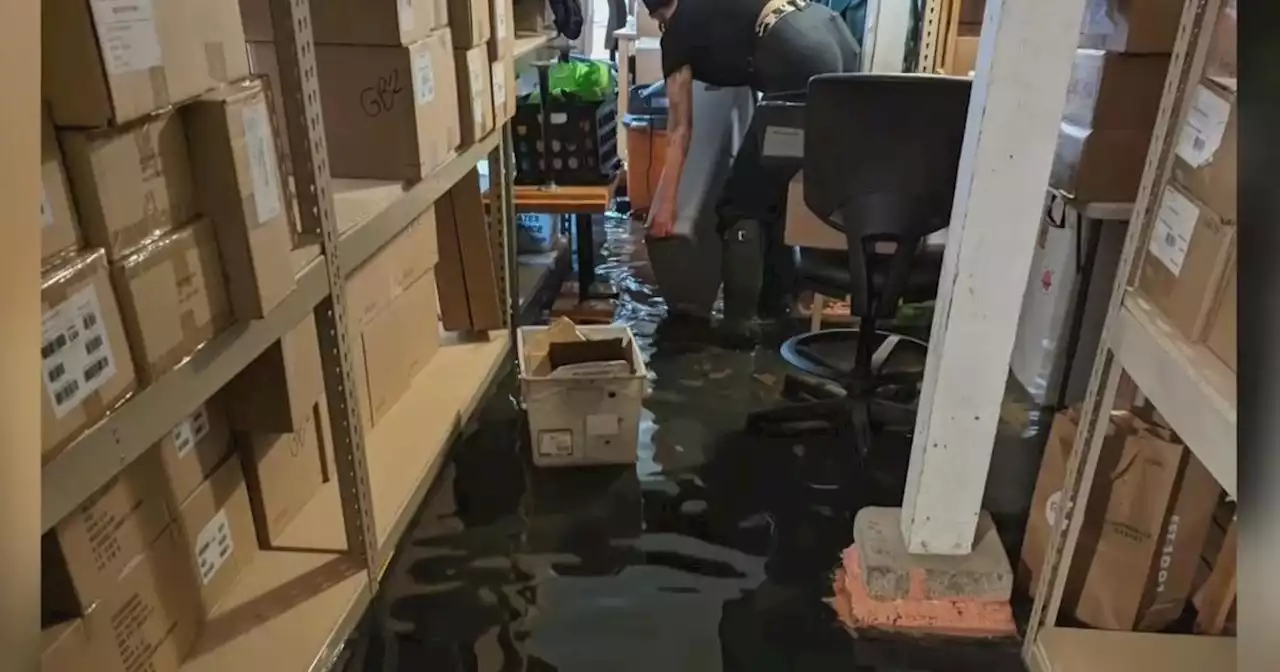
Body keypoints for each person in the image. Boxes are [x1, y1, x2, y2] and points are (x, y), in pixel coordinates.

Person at [642, 0, 860, 347]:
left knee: (738, 203)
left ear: (657, 15)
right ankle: (778, 305)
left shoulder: (677, 32)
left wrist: (666, 206)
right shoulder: (712, 13)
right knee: (772, 186)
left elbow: (679, 130)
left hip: (798, 56)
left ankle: (739, 327)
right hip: (832, 34)